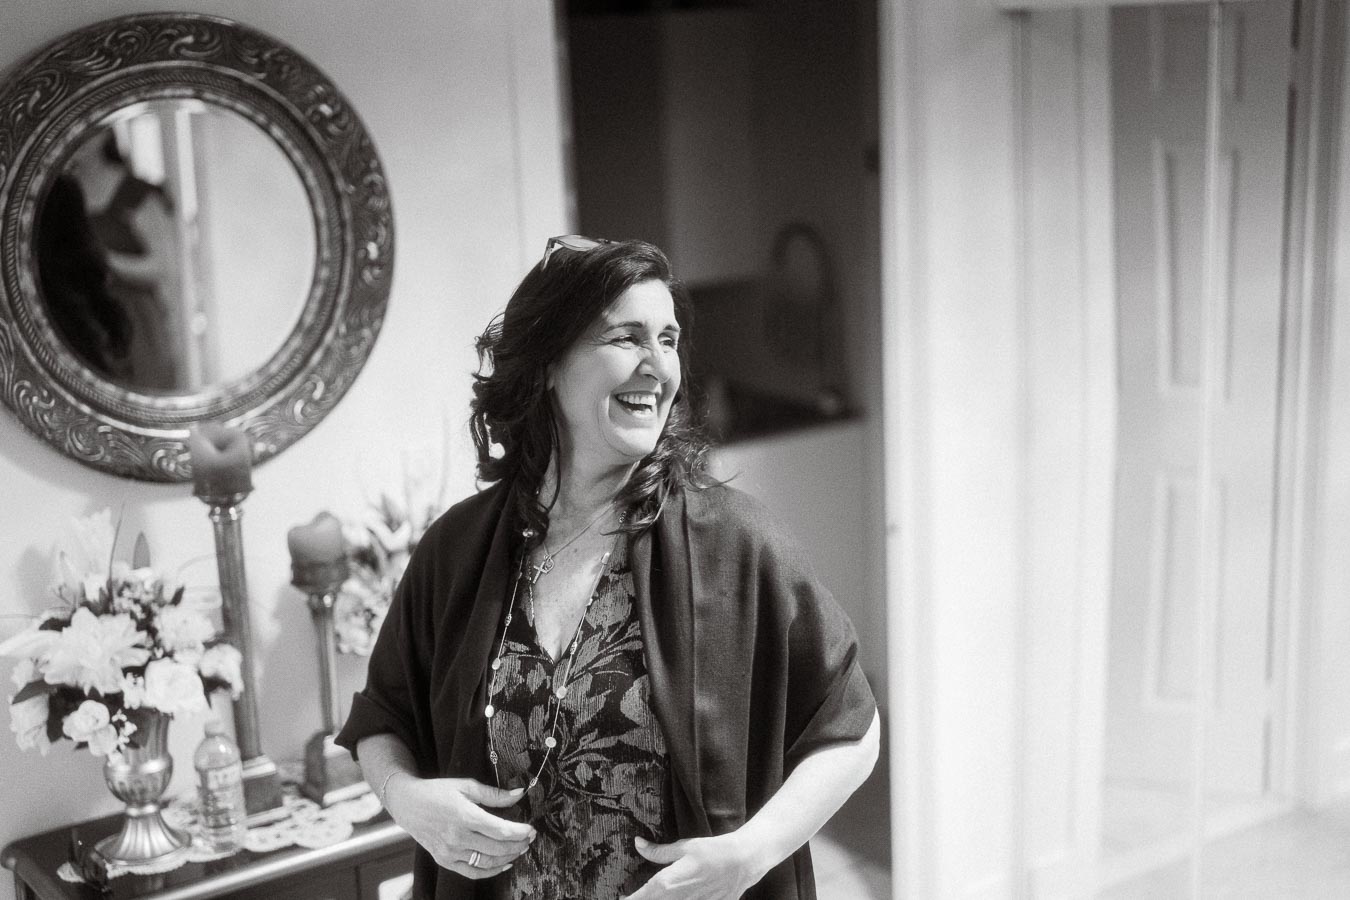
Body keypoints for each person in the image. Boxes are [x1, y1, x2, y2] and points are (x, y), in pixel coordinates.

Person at [336, 237, 879, 900]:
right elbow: (382, 716)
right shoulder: (456, 552)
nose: (658, 365)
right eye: (627, 337)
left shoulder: (736, 543)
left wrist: (751, 854)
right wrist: (406, 800)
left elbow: (854, 725)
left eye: (669, 339)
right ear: (547, 365)